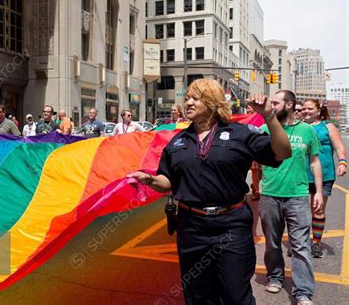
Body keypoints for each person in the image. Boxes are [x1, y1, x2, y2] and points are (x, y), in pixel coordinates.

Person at [129, 79, 291, 304]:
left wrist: (269, 117)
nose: (188, 103)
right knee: (197, 295)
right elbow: (168, 181)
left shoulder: (239, 133)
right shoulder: (177, 142)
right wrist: (149, 179)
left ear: (213, 102)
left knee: (235, 296)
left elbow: (282, 152)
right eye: (187, 98)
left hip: (231, 225)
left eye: (196, 98)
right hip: (191, 227)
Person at [259, 90, 323, 305]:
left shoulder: (306, 130)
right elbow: (254, 160)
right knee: (272, 243)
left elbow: (314, 161)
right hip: (270, 195)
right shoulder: (263, 129)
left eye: (275, 103)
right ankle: (275, 277)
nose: (271, 106)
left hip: (298, 196)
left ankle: (303, 291)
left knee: (301, 245)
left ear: (288, 105)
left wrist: (319, 192)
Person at [302, 99, 347, 258]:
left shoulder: (328, 127)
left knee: (318, 209)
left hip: (324, 174)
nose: (306, 111)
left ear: (318, 110)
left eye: (309, 108)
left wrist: (342, 162)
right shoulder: (299, 127)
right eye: (303, 109)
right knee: (298, 211)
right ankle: (301, 242)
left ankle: (316, 243)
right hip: (300, 175)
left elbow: (339, 147)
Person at [247, 105, 263, 201]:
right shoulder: (246, 119)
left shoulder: (260, 116)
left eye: (251, 107)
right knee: (254, 170)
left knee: (261, 172)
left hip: (260, 148)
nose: (249, 109)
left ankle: (254, 185)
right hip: (249, 149)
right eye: (248, 108)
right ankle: (256, 191)